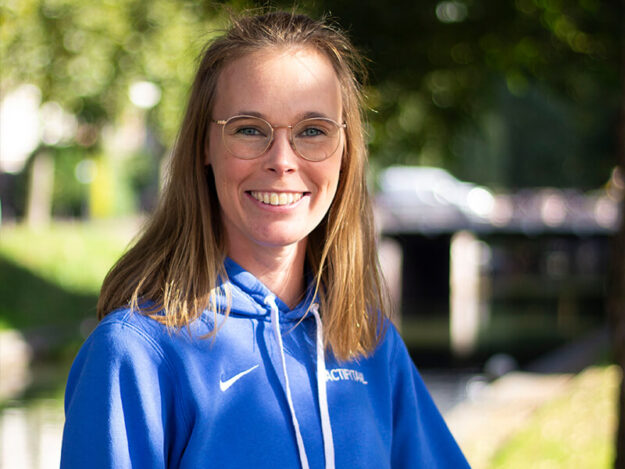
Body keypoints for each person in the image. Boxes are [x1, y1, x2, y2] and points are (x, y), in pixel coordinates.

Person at [60, 11, 470, 469]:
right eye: (249, 129)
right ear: (204, 146)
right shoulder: (136, 353)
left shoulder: (369, 343)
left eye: (312, 131)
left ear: (346, 151)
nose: (282, 160)